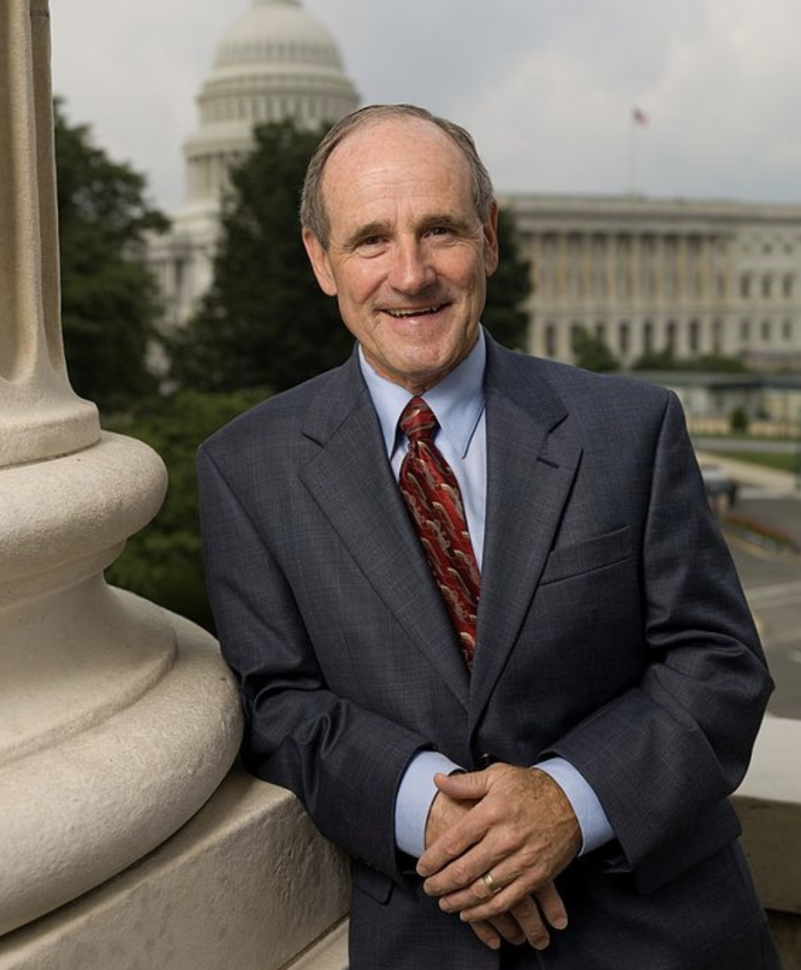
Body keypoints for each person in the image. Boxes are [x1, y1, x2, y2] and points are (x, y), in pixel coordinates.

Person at [197, 104, 780, 969]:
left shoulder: (629, 427)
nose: (410, 275)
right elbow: (277, 702)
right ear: (321, 260)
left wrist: (567, 801)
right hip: (432, 933)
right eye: (370, 240)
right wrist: (428, 812)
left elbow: (718, 662)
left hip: (663, 932)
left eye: (439, 230)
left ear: (490, 237)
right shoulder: (247, 468)